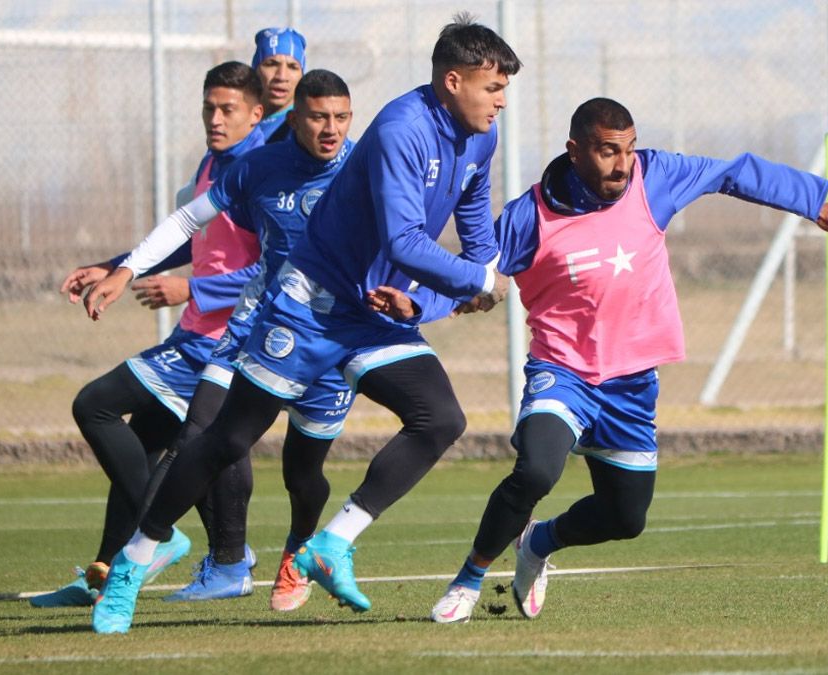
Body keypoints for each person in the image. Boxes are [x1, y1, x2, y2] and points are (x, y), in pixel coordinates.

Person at [82, 14, 521, 634]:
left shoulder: (479, 136)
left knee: (440, 418)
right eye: (492, 89)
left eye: (504, 90)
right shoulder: (401, 129)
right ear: (453, 81)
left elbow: (473, 220)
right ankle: (133, 562)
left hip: (370, 311)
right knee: (228, 440)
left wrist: (479, 275)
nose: (501, 102)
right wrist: (474, 283)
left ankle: (330, 544)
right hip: (310, 304)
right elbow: (402, 239)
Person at [423, 98, 828, 624]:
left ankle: (537, 543)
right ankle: (468, 580)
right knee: (537, 469)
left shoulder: (652, 177)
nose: (622, 164)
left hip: (631, 384)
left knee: (626, 516)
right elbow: (473, 273)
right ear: (575, 151)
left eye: (629, 149)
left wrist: (812, 203)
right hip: (563, 372)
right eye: (608, 151)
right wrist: (421, 304)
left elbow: (732, 173)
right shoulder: (532, 215)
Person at [106, 69, 358, 611]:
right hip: (248, 329)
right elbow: (190, 227)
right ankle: (141, 555)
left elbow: (406, 231)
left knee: (306, 471)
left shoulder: (363, 167)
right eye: (318, 117)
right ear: (293, 120)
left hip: (329, 335)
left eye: (340, 117)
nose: (330, 128)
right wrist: (123, 269)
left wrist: (447, 285)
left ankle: (298, 549)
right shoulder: (253, 168)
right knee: (202, 433)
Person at [30, 61, 266, 608]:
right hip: (195, 336)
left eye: (227, 109)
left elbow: (277, 267)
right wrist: (117, 268)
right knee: (139, 446)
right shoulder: (213, 165)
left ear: (256, 115)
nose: (214, 117)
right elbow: (190, 242)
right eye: (209, 107)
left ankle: (160, 534)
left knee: (94, 405)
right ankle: (106, 574)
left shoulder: (260, 174)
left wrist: (193, 292)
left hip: (222, 345)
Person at [252, 27, 306, 143]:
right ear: (255, 70)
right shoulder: (236, 123)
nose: (281, 76)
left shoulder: (305, 130)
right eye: (271, 64)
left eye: (292, 67)